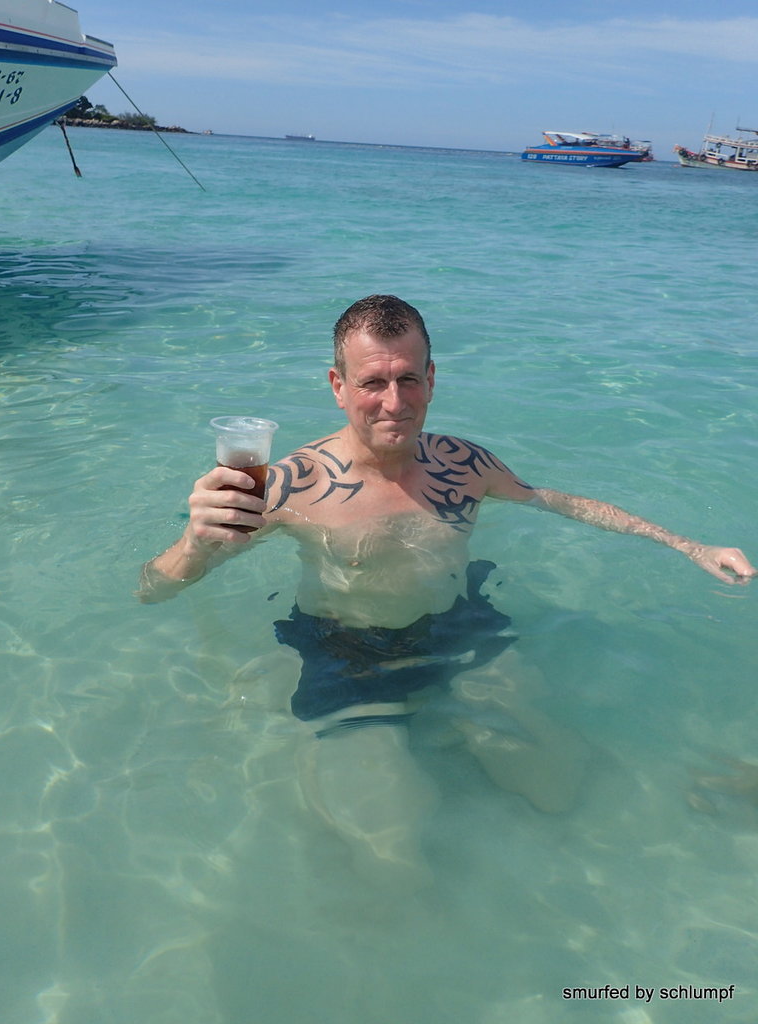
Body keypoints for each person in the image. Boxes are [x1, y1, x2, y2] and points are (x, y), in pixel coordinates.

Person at [139, 294, 755, 887]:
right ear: (337, 386)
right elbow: (153, 589)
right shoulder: (290, 485)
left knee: (559, 785)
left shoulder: (464, 464)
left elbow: (557, 502)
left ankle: (456, 730)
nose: (394, 402)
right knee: (394, 853)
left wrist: (688, 545)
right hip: (348, 653)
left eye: (408, 379)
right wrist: (195, 541)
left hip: (458, 628)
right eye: (372, 383)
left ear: (431, 379)